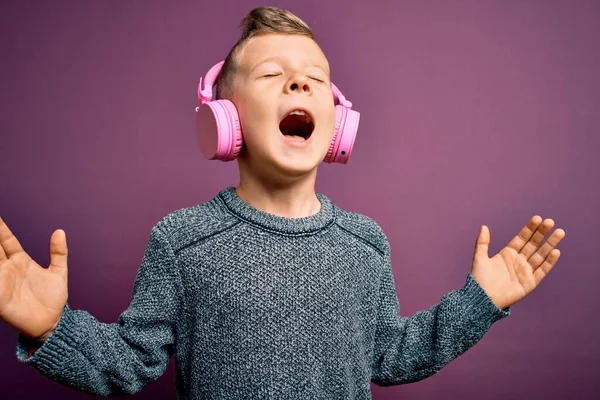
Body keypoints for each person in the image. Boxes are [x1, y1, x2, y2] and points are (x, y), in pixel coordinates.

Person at [0, 6, 565, 400]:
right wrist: (51, 329)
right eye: (273, 75)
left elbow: (392, 356)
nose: (299, 85)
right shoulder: (181, 239)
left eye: (315, 79)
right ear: (226, 121)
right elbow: (131, 362)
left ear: (338, 125)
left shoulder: (364, 245)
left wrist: (481, 300)